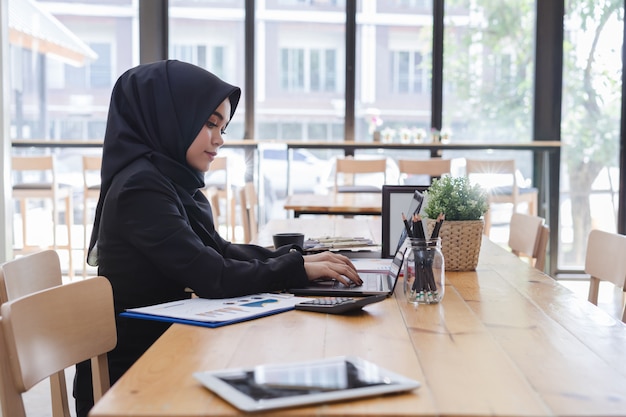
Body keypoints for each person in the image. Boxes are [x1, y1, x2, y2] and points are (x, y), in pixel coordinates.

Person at [74, 60, 361, 417]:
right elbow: (213, 276)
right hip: (134, 377)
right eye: (209, 123)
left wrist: (294, 257)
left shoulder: (171, 179)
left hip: (171, 350)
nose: (220, 139)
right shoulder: (141, 188)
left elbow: (219, 251)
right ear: (170, 117)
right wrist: (295, 269)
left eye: (222, 127)